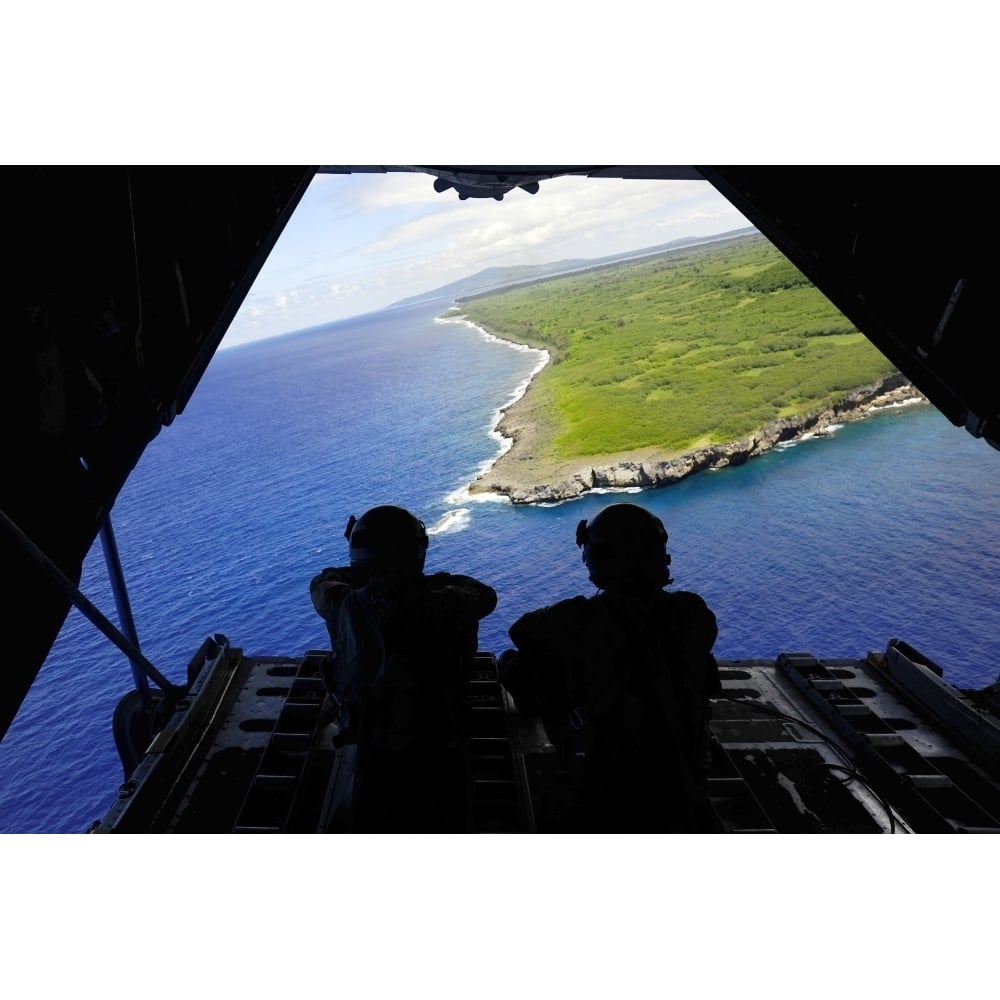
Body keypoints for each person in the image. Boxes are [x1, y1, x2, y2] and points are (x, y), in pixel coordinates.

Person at [499, 502, 721, 832]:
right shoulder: (692, 612)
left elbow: (521, 631)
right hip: (679, 773)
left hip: (602, 781)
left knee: (517, 661)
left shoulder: (574, 619)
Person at [310, 504, 497, 830]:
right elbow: (484, 594)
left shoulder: (340, 603)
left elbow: (325, 580)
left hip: (371, 747)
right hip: (439, 742)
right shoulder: (449, 603)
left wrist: (362, 559)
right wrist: (423, 581)